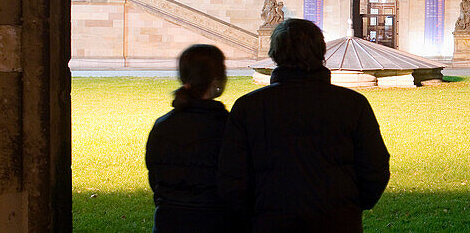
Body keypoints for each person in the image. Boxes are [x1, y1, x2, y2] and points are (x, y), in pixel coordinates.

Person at [219, 19, 390, 232]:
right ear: (320, 52)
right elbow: (375, 167)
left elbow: (232, 176)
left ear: (275, 54)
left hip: (271, 222)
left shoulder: (248, 107)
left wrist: (253, 215)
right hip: (337, 221)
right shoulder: (352, 104)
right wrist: (351, 204)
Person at [146, 44, 231, 232]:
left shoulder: (162, 125)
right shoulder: (228, 127)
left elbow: (155, 178)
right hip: (216, 221)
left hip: (168, 220)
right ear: (217, 79)